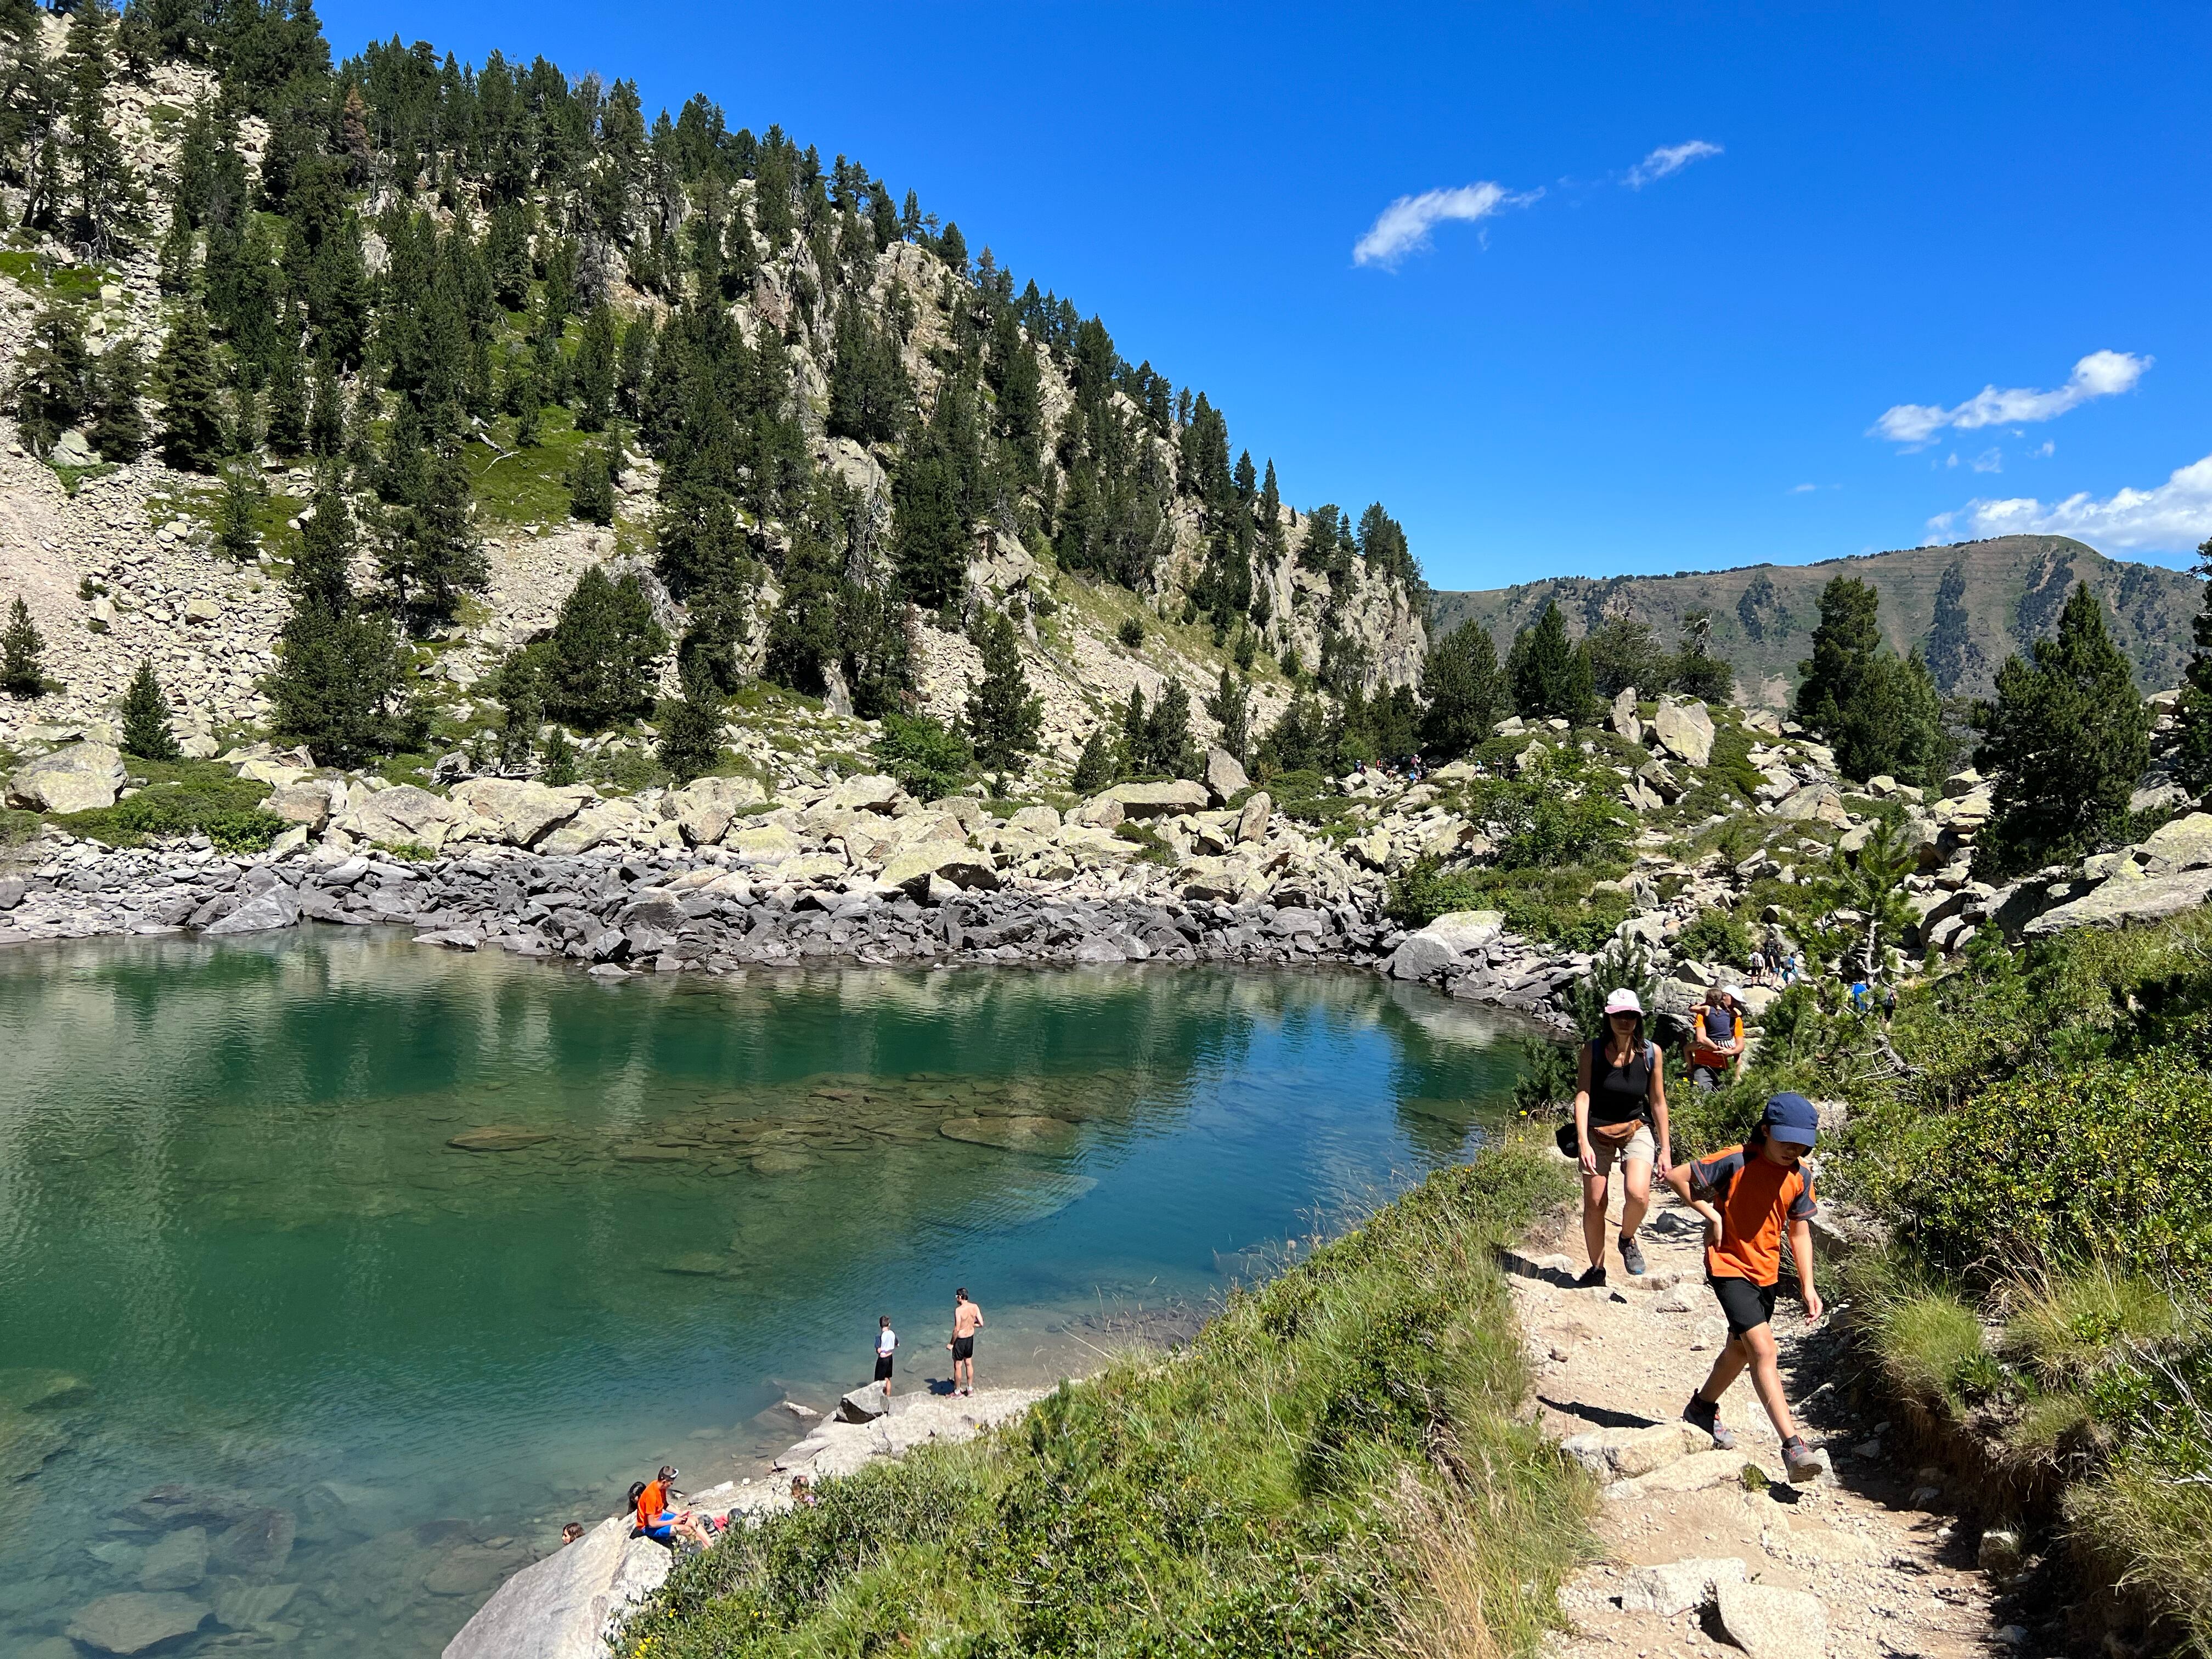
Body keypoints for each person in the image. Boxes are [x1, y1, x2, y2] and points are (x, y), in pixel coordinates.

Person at [1664, 1093, 1827, 1482]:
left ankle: (1702, 1409)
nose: (1794, 1148)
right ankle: (1793, 1447)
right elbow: (1676, 1176)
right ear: (1766, 1130)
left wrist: (1808, 1286)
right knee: (1763, 1349)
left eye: (1802, 1142)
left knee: (1739, 1350)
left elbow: (1799, 1232)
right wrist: (1709, 1213)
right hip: (1728, 1266)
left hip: (1766, 1275)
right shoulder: (1737, 1160)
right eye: (1786, 1139)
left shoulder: (1800, 1177)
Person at [1570, 989, 1671, 1285]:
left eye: (1630, 1015)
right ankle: (1597, 1269)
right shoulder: (1592, 1050)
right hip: (1597, 1131)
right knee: (1596, 1202)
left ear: (1638, 1019)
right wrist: (1583, 1142)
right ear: (1609, 1017)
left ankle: (1627, 1238)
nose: (1625, 1021)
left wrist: (1665, 1149)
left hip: (1635, 1128)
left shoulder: (1652, 1053)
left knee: (1638, 1194)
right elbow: (1583, 1096)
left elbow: (1658, 1101)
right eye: (1619, 1015)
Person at [633, 1465, 714, 1550]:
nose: (672, 1484)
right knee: (685, 1529)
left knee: (692, 1521)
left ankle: (711, 1545)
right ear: (664, 1481)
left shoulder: (661, 1487)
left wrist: (680, 1513)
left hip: (659, 1517)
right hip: (648, 1527)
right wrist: (673, 1521)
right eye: (671, 1483)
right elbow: (652, 1524)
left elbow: (665, 1505)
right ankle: (706, 1551)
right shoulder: (651, 1496)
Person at [1686, 982, 1745, 1093]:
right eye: (1735, 1000)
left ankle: (1689, 1069)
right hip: (1704, 1065)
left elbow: (1741, 1045)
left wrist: (1731, 1053)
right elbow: (1701, 1039)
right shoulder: (1702, 1015)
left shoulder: (1736, 1019)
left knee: (1723, 1103)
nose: (1737, 1004)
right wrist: (1722, 1050)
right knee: (1699, 1098)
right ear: (1725, 997)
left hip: (1726, 1068)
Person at [947, 1287, 985, 1395]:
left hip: (961, 1340)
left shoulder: (959, 1311)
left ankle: (957, 1392)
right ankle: (970, 1389)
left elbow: (957, 1329)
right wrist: (972, 1324)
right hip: (970, 1339)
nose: (956, 1299)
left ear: (960, 1297)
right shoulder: (975, 1307)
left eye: (956, 1297)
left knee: (958, 1365)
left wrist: (951, 1344)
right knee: (968, 1363)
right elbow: (981, 1324)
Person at [874, 1314, 898, 1401]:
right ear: (889, 1324)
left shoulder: (879, 1337)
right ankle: (888, 1396)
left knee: (879, 1380)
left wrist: (879, 1350)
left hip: (883, 1360)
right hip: (890, 1358)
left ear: (880, 1325)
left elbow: (879, 1350)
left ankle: (879, 1398)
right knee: (887, 1378)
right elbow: (897, 1344)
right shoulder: (893, 1334)